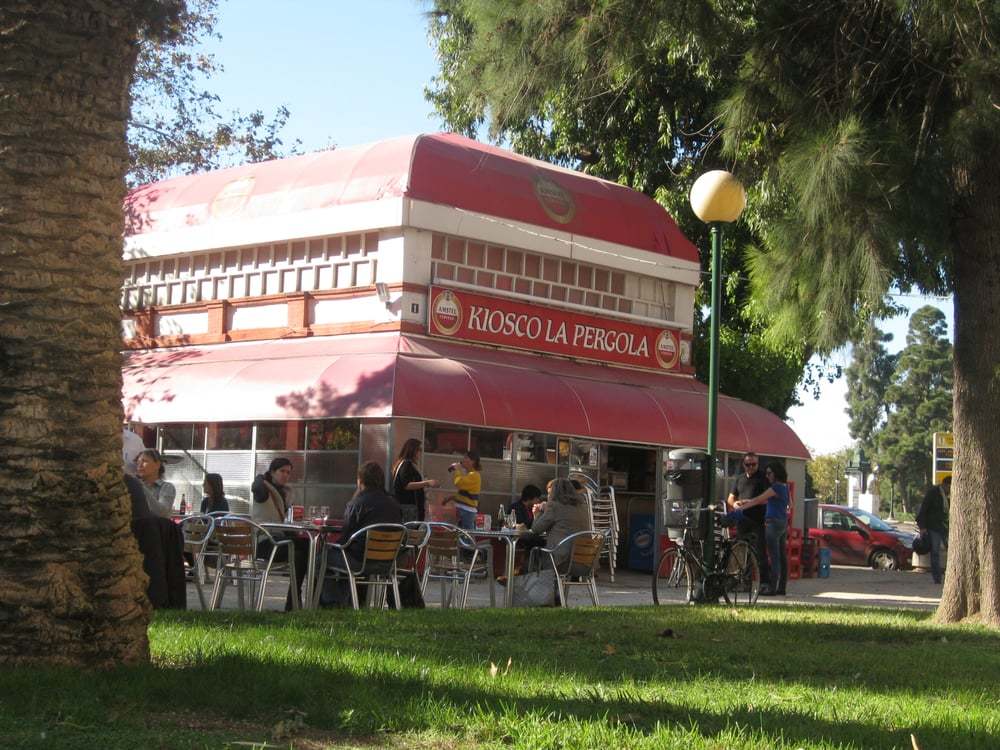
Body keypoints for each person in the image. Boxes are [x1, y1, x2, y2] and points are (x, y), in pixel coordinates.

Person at [322, 461, 403, 607]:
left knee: (321, 556)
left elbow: (345, 538)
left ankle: (331, 602)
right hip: (387, 563)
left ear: (360, 480)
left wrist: (330, 545)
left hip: (359, 562)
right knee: (347, 554)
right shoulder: (394, 504)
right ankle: (349, 601)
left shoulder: (357, 504)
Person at [251, 457, 308, 611]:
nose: (285, 475)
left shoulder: (284, 493)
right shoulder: (263, 489)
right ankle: (295, 601)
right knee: (306, 548)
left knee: (305, 550)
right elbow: (256, 489)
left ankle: (294, 600)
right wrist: (260, 477)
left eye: (288, 472)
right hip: (264, 544)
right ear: (272, 472)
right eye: (282, 471)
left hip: (276, 542)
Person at [736, 461, 790, 596]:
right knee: (782, 556)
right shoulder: (785, 487)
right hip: (782, 523)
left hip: (772, 524)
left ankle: (772, 587)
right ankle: (781, 587)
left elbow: (759, 500)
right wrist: (747, 501)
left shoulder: (776, 487)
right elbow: (785, 503)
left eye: (769, 473)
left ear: (776, 473)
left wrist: (741, 508)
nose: (767, 476)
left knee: (774, 556)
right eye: (766, 473)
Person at [727, 451, 770, 588]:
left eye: (753, 464)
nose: (750, 467)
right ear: (743, 464)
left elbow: (767, 499)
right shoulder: (739, 479)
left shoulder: (763, 478)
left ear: (758, 464)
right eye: (748, 464)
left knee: (760, 552)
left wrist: (749, 502)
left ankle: (764, 583)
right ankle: (742, 583)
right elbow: (730, 497)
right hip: (742, 520)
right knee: (741, 552)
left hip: (758, 520)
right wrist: (735, 504)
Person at [530, 478, 593, 567]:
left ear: (554, 493)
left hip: (562, 562)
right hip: (585, 561)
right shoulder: (583, 507)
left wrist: (537, 513)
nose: (548, 497)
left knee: (533, 552)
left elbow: (536, 529)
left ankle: (536, 580)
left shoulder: (554, 506)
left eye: (549, 494)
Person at [391, 438, 439, 522]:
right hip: (408, 507)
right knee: (410, 532)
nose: (420, 452)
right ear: (412, 450)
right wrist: (427, 483)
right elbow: (406, 485)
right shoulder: (406, 464)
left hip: (410, 506)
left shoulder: (407, 464)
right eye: (419, 450)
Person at [917, 475, 950, 584]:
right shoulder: (933, 493)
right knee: (935, 551)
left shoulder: (948, 496)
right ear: (945, 485)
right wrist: (922, 527)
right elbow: (923, 509)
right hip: (934, 526)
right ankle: (937, 578)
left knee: (950, 550)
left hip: (945, 527)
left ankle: (948, 574)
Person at [445, 450, 482, 530]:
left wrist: (457, 470)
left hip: (467, 512)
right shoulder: (469, 475)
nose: (463, 460)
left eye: (466, 458)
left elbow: (459, 483)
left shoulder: (475, 475)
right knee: (459, 537)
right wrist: (451, 497)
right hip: (463, 511)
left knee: (466, 538)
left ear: (473, 461)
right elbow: (465, 494)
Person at [136, 449, 176, 518]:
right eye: (138, 462)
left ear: (157, 465)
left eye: (144, 461)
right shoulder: (134, 487)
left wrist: (140, 487)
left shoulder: (167, 487)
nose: (140, 465)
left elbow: (163, 513)